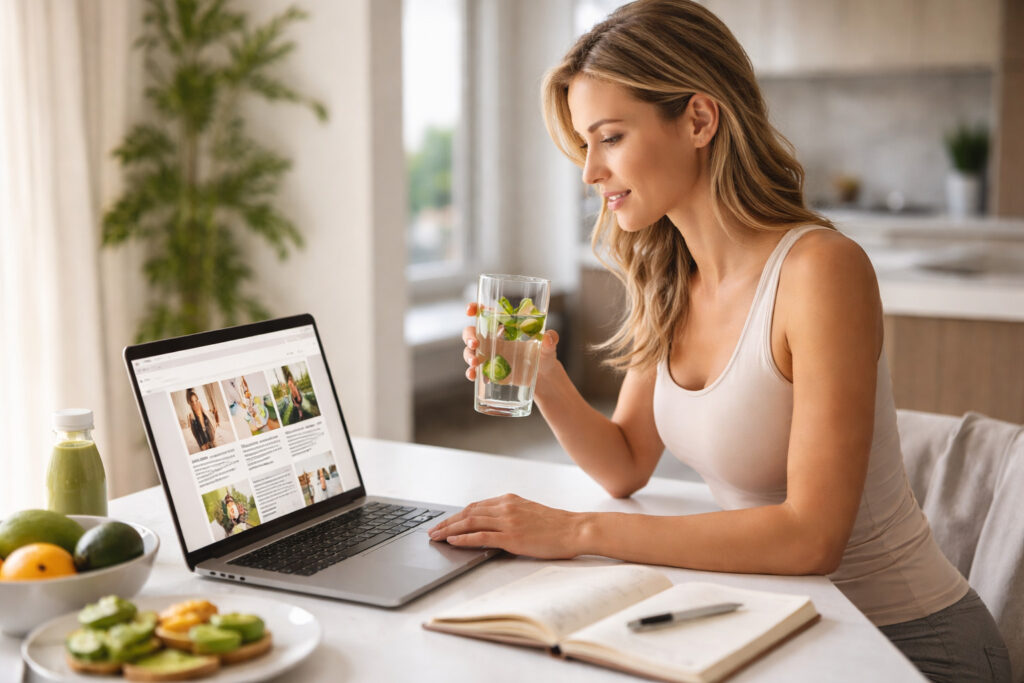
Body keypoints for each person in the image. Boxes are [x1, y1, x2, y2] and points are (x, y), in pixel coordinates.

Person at [427, 2, 1011, 681]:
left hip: (907, 642)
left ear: (699, 119)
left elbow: (811, 537)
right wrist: (544, 378)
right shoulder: (671, 276)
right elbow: (626, 463)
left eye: (609, 137)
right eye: (585, 144)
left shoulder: (820, 271)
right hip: (787, 624)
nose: (589, 171)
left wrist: (576, 531)